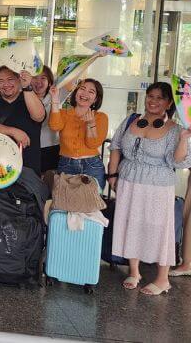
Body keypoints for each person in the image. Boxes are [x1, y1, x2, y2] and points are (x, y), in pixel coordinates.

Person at [108, 82, 191, 296]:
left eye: (159, 98)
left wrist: (184, 139)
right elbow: (116, 146)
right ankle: (134, 271)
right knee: (130, 224)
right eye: (150, 96)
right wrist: (113, 174)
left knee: (158, 228)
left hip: (158, 186)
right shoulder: (131, 120)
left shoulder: (175, 129)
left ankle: (163, 279)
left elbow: (179, 162)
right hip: (128, 181)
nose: (153, 101)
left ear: (169, 103)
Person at [0, 66, 46, 174]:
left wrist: (27, 88)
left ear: (19, 80)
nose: (6, 84)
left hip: (27, 167)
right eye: (0, 81)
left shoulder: (29, 98)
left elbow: (39, 116)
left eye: (10, 79)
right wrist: (13, 131)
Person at [49, 79, 109, 189]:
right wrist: (54, 99)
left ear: (96, 99)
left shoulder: (101, 117)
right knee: (65, 203)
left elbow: (92, 144)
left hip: (92, 166)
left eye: (91, 91)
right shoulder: (63, 113)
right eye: (82, 89)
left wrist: (91, 124)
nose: (85, 94)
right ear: (76, 92)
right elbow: (54, 126)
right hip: (66, 164)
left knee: (90, 204)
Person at [33, 67, 61, 174]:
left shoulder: (55, 95)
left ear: (49, 82)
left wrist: (95, 56)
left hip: (51, 147)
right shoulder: (25, 97)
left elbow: (71, 75)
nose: (38, 81)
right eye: (35, 77)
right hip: (30, 148)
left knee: (50, 181)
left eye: (43, 78)